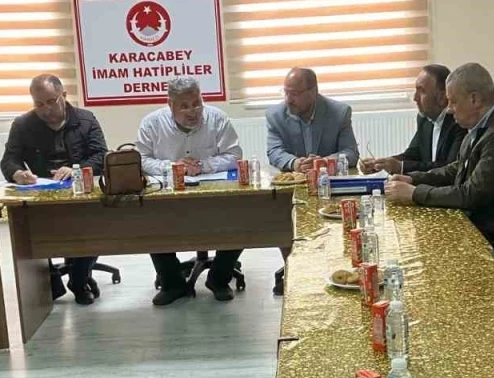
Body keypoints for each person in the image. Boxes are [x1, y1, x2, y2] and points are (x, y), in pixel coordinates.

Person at [383, 63, 494, 260]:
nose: (449, 110)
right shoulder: (482, 124)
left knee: (420, 251)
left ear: (474, 99)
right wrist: (413, 179)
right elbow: (458, 168)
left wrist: (415, 193)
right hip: (480, 223)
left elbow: (471, 195)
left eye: (453, 102)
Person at [0, 74, 108, 305]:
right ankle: (50, 282)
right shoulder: (23, 125)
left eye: (51, 101)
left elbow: (101, 156)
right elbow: (9, 160)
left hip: (81, 194)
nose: (46, 109)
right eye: (39, 104)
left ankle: (79, 279)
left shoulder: (85, 119)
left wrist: (76, 169)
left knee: (97, 227)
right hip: (42, 195)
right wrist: (18, 173)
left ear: (64, 96)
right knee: (29, 231)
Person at [136, 77, 244, 305]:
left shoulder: (217, 118)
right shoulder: (152, 123)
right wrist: (174, 167)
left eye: (196, 103)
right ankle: (173, 284)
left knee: (242, 217)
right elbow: (142, 159)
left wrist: (203, 165)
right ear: (170, 105)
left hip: (214, 192)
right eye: (184, 106)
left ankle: (218, 279)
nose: (192, 111)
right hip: (169, 195)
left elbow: (234, 155)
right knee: (150, 222)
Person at [360, 64, 461, 174]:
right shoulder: (425, 119)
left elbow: (449, 168)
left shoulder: (459, 122)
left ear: (442, 98)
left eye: (421, 91)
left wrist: (401, 167)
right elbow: (412, 155)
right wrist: (381, 163)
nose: (415, 98)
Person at [265, 67, 359, 173]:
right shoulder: (275, 116)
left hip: (327, 179)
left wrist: (325, 162)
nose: (288, 100)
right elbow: (274, 151)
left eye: (294, 94)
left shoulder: (339, 113)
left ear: (313, 92)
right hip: (294, 179)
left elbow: (351, 152)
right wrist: (294, 163)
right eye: (286, 92)